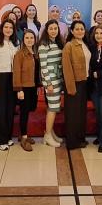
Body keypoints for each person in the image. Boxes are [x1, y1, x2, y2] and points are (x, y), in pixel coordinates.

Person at [0, 19, 19, 150]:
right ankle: (0, 140)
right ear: (2, 29)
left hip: (12, 78)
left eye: (11, 28)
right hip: (0, 78)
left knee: (9, 109)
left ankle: (8, 137)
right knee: (0, 110)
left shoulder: (15, 43)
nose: (8, 30)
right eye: (6, 27)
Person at [63, 20, 91, 149]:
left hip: (84, 82)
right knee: (72, 114)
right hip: (74, 83)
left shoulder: (85, 44)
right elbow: (67, 68)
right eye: (77, 29)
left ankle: (80, 138)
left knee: (81, 113)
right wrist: (70, 87)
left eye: (82, 29)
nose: (80, 31)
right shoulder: (69, 46)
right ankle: (72, 142)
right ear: (72, 31)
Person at [38, 19, 65, 148]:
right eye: (51, 29)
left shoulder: (58, 43)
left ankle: (50, 132)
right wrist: (48, 83)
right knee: (53, 108)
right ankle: (48, 135)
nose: (53, 31)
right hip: (51, 80)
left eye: (55, 28)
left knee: (52, 107)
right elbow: (43, 66)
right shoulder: (43, 45)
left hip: (58, 78)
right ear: (46, 30)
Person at [13, 29, 39, 151]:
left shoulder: (35, 53)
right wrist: (19, 89)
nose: (29, 40)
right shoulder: (20, 54)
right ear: (23, 40)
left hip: (33, 87)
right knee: (24, 112)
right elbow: (16, 72)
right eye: (27, 38)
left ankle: (23, 134)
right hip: (24, 88)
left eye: (31, 38)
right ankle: (24, 138)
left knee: (29, 110)